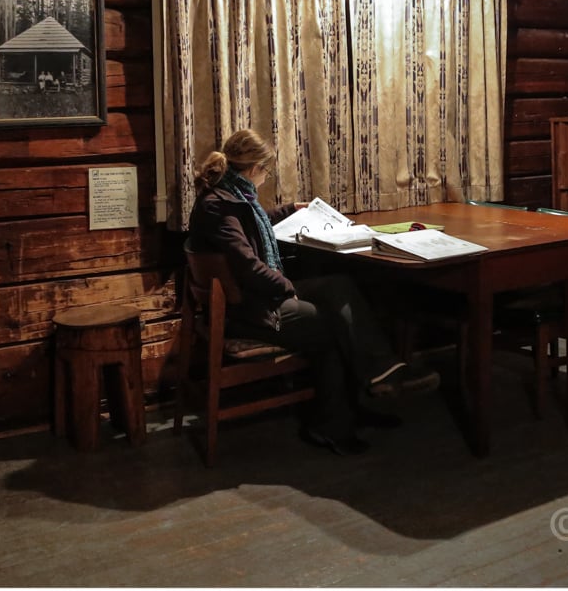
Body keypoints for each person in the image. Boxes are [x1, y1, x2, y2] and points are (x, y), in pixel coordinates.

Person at [187, 129, 440, 456]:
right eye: (266, 170)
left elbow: (256, 223)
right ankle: (336, 423)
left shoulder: (230, 196)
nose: (266, 176)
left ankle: (378, 376)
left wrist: (291, 209)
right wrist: (288, 288)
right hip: (253, 314)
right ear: (254, 168)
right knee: (332, 324)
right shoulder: (221, 207)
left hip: (257, 299)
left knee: (339, 286)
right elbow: (247, 266)